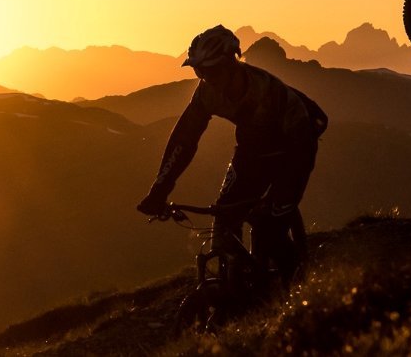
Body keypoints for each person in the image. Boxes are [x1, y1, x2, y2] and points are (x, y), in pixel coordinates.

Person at [135, 25, 328, 290]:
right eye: (199, 71)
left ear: (231, 64)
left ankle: (300, 291)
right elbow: (184, 140)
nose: (205, 78)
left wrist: (279, 201)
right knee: (224, 215)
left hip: (293, 148)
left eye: (211, 70)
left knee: (270, 228)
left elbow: (302, 150)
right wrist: (159, 189)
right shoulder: (207, 92)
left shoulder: (268, 92)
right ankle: (234, 287)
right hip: (250, 150)